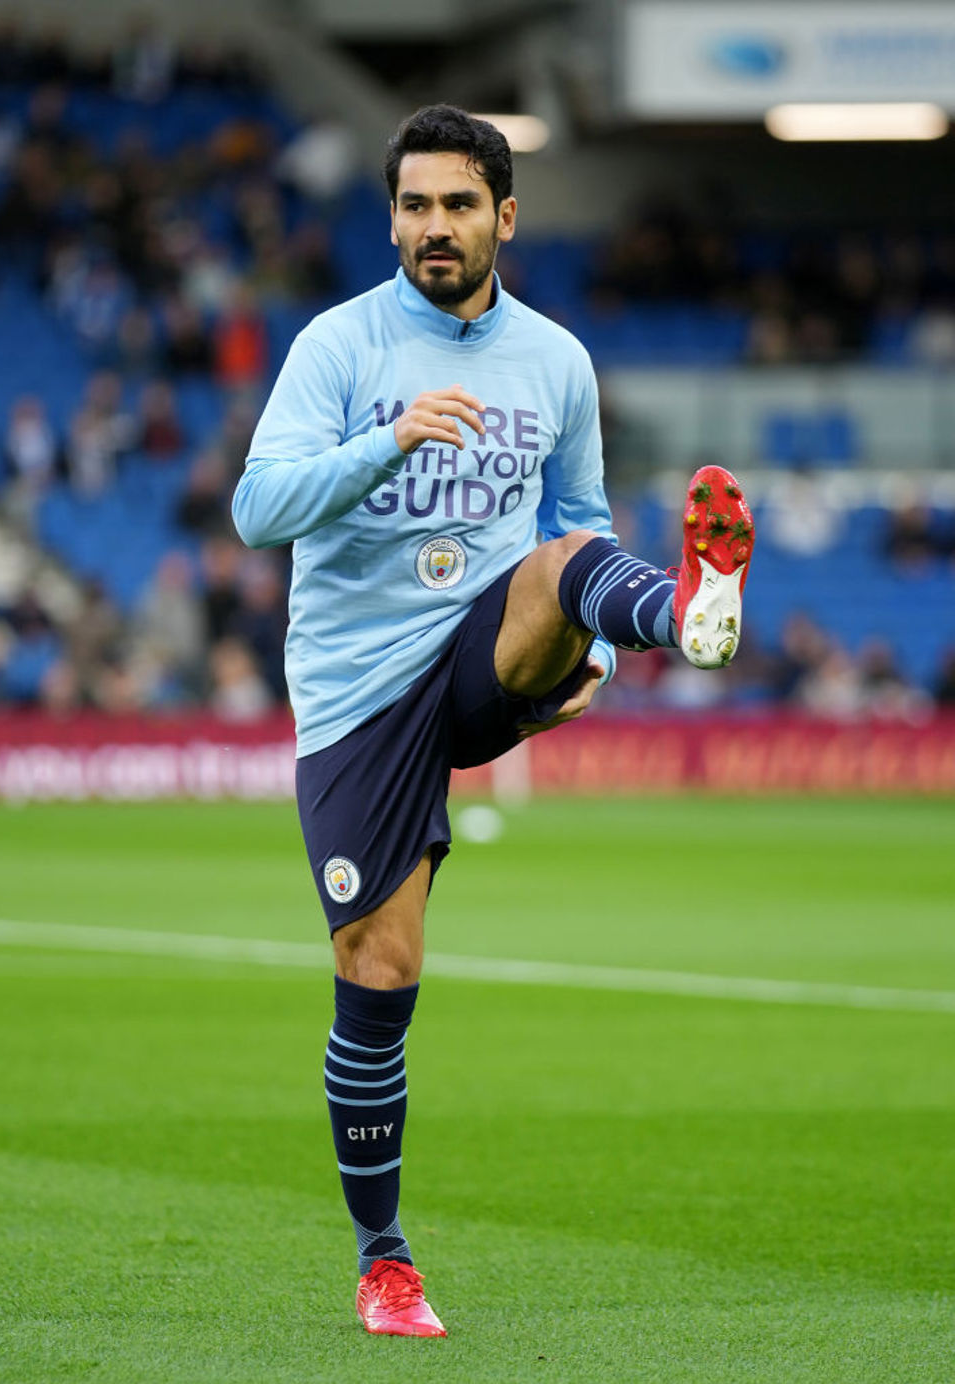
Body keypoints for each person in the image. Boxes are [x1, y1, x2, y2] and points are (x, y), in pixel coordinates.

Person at [232, 105, 755, 1339]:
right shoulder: (338, 345)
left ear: (505, 217)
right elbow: (259, 507)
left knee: (566, 554)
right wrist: (384, 441)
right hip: (361, 692)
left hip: (484, 647)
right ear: (393, 219)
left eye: (457, 205)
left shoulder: (554, 362)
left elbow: (577, 521)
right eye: (412, 206)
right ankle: (385, 1262)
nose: (432, 228)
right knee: (380, 972)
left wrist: (596, 660)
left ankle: (687, 622)